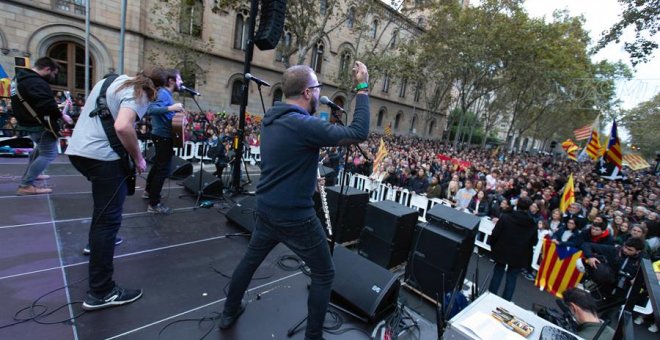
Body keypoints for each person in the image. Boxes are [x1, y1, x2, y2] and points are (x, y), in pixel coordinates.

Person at [219, 62, 370, 340]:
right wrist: (362, 87)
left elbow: (288, 159)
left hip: (266, 209)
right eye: (318, 88)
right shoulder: (304, 124)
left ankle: (228, 311)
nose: (319, 92)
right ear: (308, 92)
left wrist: (308, 177)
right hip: (296, 217)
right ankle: (313, 337)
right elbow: (359, 132)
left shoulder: (272, 118)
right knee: (324, 273)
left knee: (250, 261)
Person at [65, 71, 157, 310]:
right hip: (102, 157)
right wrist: (138, 158)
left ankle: (92, 245)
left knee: (102, 212)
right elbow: (123, 126)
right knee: (108, 221)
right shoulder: (140, 92)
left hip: (79, 151)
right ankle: (101, 291)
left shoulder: (110, 82)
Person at [10, 57, 74, 195]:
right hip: (39, 124)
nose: (53, 77)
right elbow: (46, 105)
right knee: (49, 153)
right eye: (53, 73)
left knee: (39, 150)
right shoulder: (35, 82)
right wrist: (62, 115)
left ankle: (33, 174)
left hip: (28, 122)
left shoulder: (19, 79)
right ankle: (26, 185)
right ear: (47, 69)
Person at [143, 68, 184, 214]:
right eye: (179, 79)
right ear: (171, 80)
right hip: (163, 136)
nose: (182, 82)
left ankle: (149, 192)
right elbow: (151, 110)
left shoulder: (164, 94)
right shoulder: (163, 93)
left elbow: (166, 114)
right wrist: (171, 107)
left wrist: (175, 111)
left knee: (158, 166)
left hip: (162, 135)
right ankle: (154, 204)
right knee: (162, 170)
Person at [488, 196, 537, 301]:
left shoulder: (506, 217)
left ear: (517, 204)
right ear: (528, 208)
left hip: (503, 250)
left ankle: (490, 297)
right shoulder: (532, 223)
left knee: (498, 274)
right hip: (518, 255)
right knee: (512, 278)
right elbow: (534, 241)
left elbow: (495, 233)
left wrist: (493, 246)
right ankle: (505, 301)